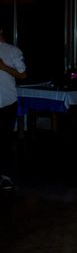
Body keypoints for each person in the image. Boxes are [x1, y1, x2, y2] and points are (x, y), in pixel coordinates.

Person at [0, 26, 26, 191]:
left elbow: (23, 74)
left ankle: (5, 176)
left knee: (5, 139)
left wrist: (3, 67)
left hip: (7, 102)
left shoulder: (12, 50)